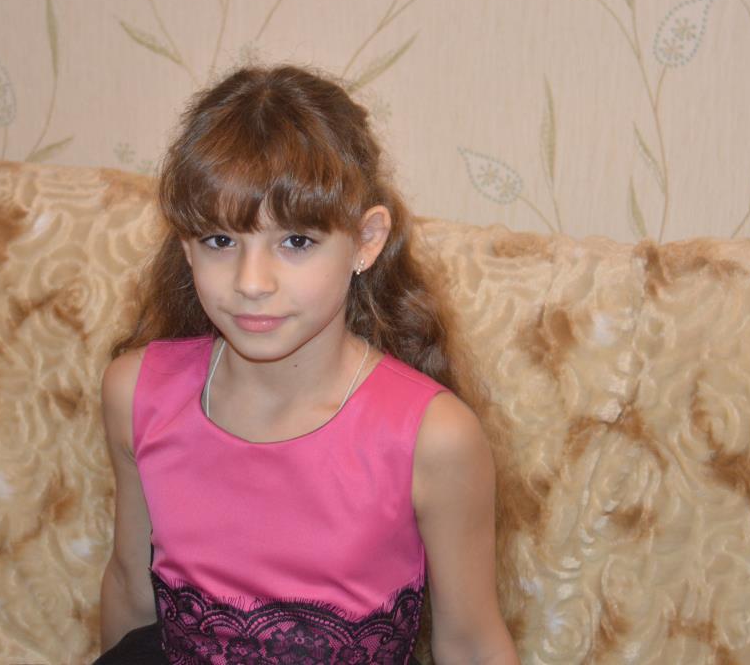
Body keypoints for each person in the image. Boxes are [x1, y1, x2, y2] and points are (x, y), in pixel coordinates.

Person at [95, 64, 519, 665]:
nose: (251, 282)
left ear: (366, 242)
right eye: (220, 241)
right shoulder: (136, 392)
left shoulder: (434, 437)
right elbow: (129, 588)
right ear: (186, 245)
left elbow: (471, 643)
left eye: (296, 242)